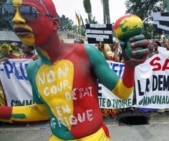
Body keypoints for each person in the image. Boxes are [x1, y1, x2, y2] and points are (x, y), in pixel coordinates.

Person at [0, 0, 149, 140]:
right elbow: (42, 111)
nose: (16, 19)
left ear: (55, 23)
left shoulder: (86, 53)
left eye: (28, 12)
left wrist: (130, 67)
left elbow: (122, 93)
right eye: (8, 12)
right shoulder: (33, 69)